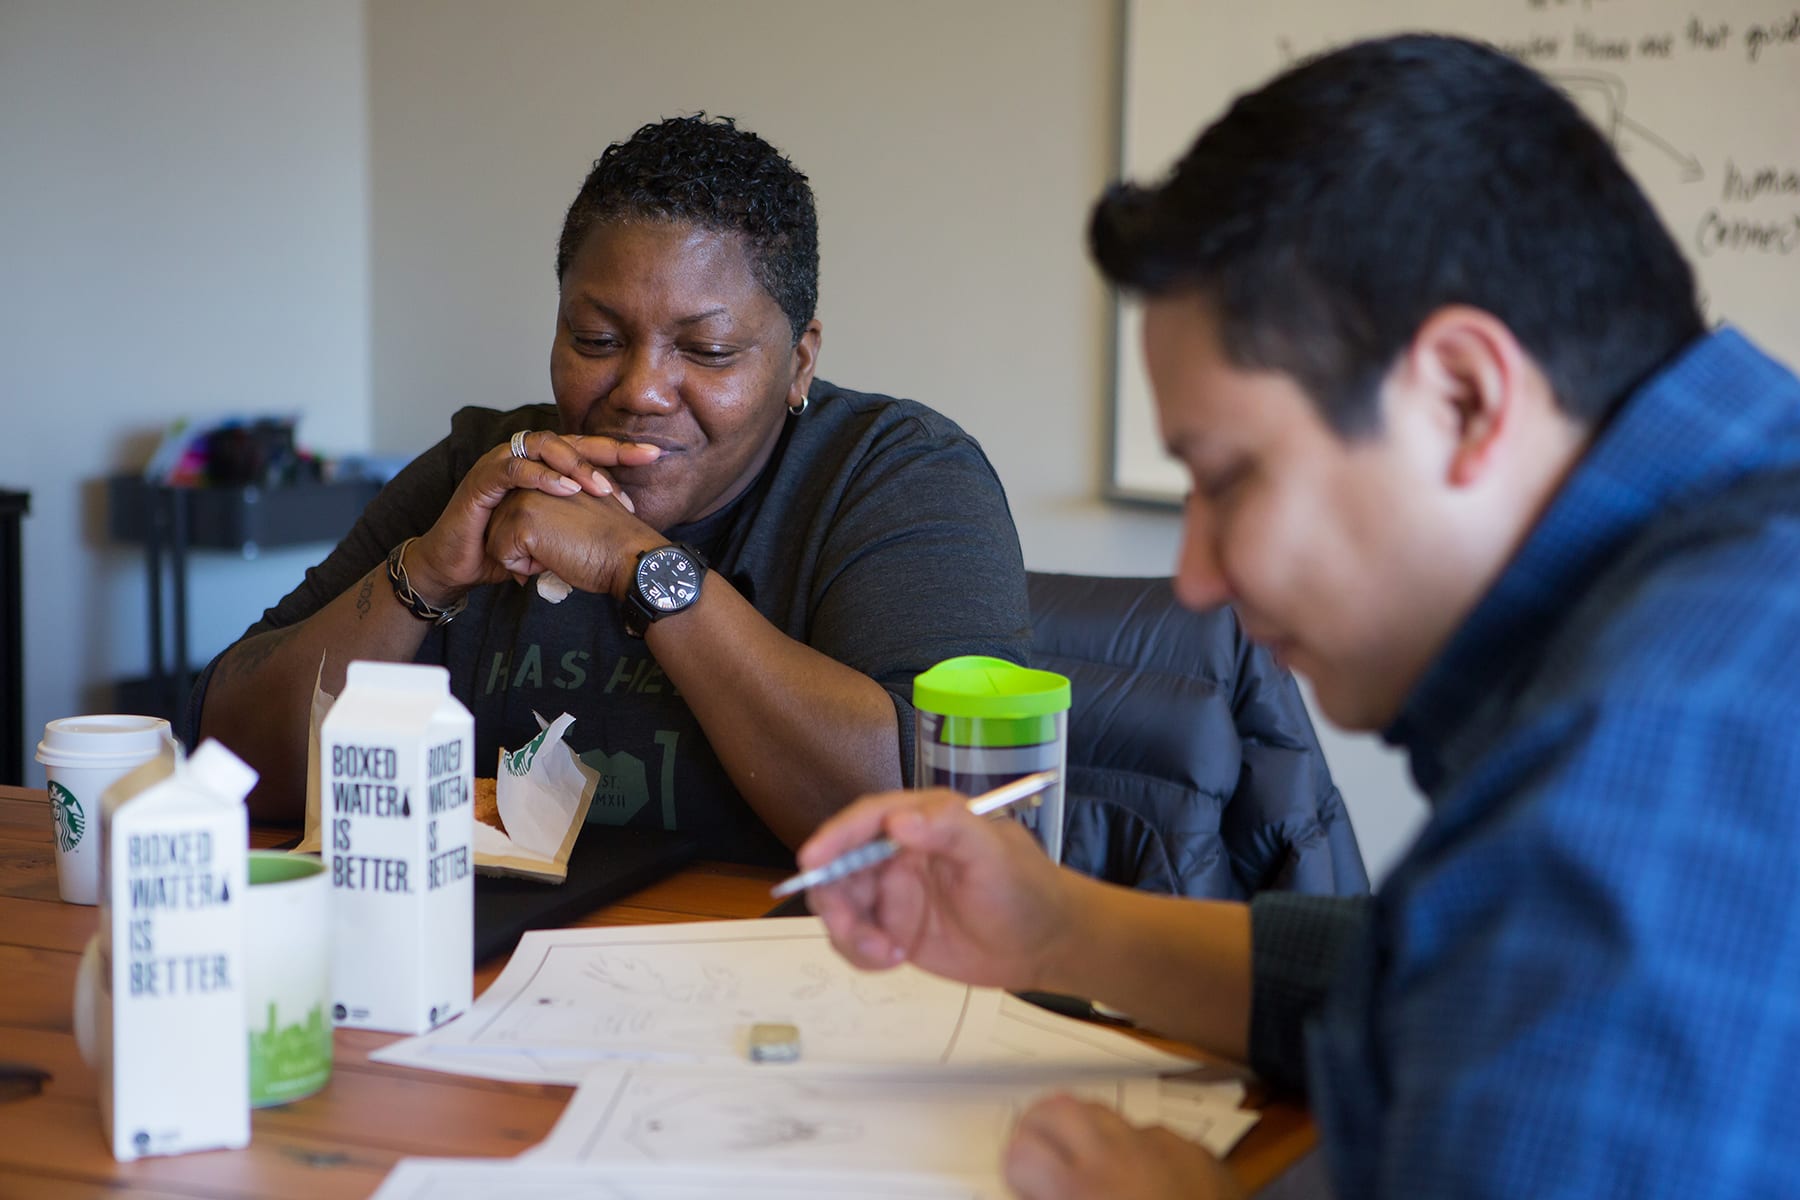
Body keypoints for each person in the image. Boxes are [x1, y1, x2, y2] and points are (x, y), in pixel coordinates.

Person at [803, 34, 1800, 1199]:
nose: (1195, 578)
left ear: (1465, 397)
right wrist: (1057, 925)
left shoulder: (1636, 786)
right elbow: (1438, 968)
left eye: (1227, 479)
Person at [193, 114, 1031, 865]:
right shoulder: (485, 471)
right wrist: (425, 576)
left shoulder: (900, 477)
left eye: (704, 352)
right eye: (596, 338)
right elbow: (229, 760)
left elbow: (934, 826)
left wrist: (640, 564)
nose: (640, 389)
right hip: (495, 987)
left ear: (798, 361)